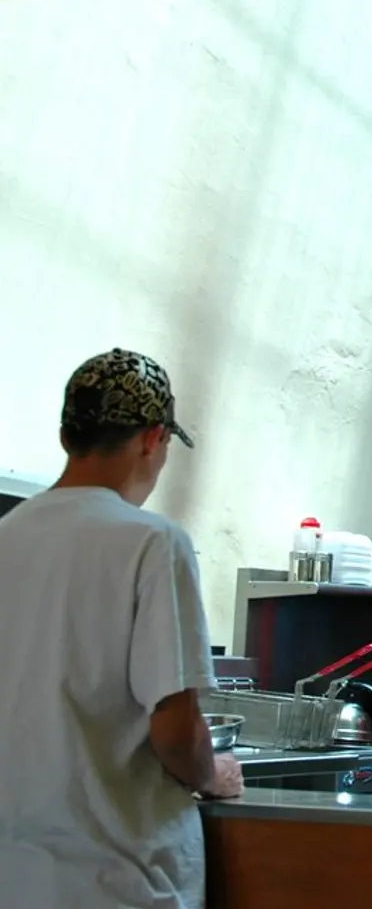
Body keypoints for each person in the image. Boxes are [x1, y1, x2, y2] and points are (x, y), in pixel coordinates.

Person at [0, 348, 243, 909]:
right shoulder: (154, 543)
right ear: (152, 440)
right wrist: (212, 774)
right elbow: (175, 730)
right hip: (120, 880)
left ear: (68, 436)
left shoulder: (7, 538)